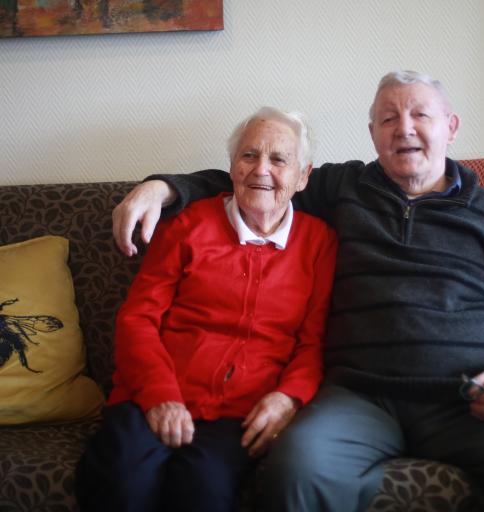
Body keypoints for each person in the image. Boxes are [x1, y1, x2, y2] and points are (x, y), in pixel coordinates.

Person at [111, 71, 484, 512]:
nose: (403, 128)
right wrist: (163, 188)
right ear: (373, 134)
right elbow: (258, 180)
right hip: (359, 398)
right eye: (388, 118)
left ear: (450, 126)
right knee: (296, 473)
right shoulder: (346, 187)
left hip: (466, 400)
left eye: (419, 115)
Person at [76, 107, 338, 512]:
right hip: (152, 395)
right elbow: (138, 318)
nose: (261, 170)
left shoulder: (319, 242)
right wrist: (161, 396)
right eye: (249, 155)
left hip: (241, 414)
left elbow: (313, 342)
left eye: (279, 159)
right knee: (121, 484)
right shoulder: (188, 224)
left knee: (204, 493)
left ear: (303, 176)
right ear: (231, 167)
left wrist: (288, 398)